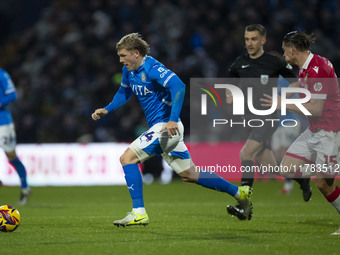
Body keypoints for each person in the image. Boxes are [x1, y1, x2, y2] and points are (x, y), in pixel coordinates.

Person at [91, 33, 253, 227]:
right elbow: (124, 92)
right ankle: (239, 193)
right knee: (189, 174)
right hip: (163, 129)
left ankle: (139, 212)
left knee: (127, 158)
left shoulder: (152, 68)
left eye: (123, 55)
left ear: (136, 53)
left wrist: (173, 120)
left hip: (166, 126)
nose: (121, 60)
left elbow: (179, 86)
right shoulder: (129, 70)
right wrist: (107, 109)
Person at [226, 24, 311, 219]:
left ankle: (244, 207)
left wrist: (281, 100)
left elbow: (296, 83)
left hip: (269, 118)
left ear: (263, 40)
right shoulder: (238, 64)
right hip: (250, 120)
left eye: (254, 39)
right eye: (247, 39)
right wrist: (230, 95)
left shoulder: (274, 62)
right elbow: (229, 88)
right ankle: (301, 179)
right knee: (273, 168)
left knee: (245, 153)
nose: (250, 43)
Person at [261, 31, 340, 235]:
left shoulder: (318, 68)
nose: (283, 53)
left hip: (329, 131)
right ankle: (323, 169)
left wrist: (283, 103)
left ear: (293, 49)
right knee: (287, 169)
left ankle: (327, 169)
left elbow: (315, 109)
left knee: (324, 184)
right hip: (314, 130)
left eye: (284, 49)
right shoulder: (305, 70)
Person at [0, 68, 31, 205]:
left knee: (11, 157)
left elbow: (12, 94)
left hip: (3, 122)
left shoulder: (2, 74)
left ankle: (25, 188)